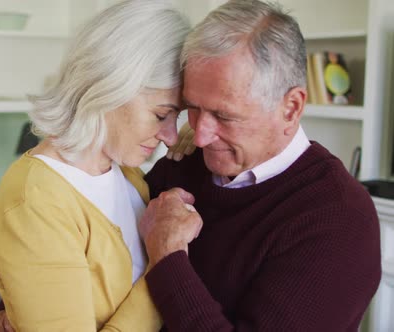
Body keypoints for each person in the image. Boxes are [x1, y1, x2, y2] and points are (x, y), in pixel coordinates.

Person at [139, 0, 381, 331]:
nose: (201, 136)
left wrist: (167, 257)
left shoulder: (340, 219)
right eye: (193, 108)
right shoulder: (185, 161)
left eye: (224, 116)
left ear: (291, 108)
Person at [0, 1, 190, 331]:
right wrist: (166, 265)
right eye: (160, 114)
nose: (170, 136)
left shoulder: (126, 174)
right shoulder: (34, 201)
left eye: (178, 117)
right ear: (110, 84)